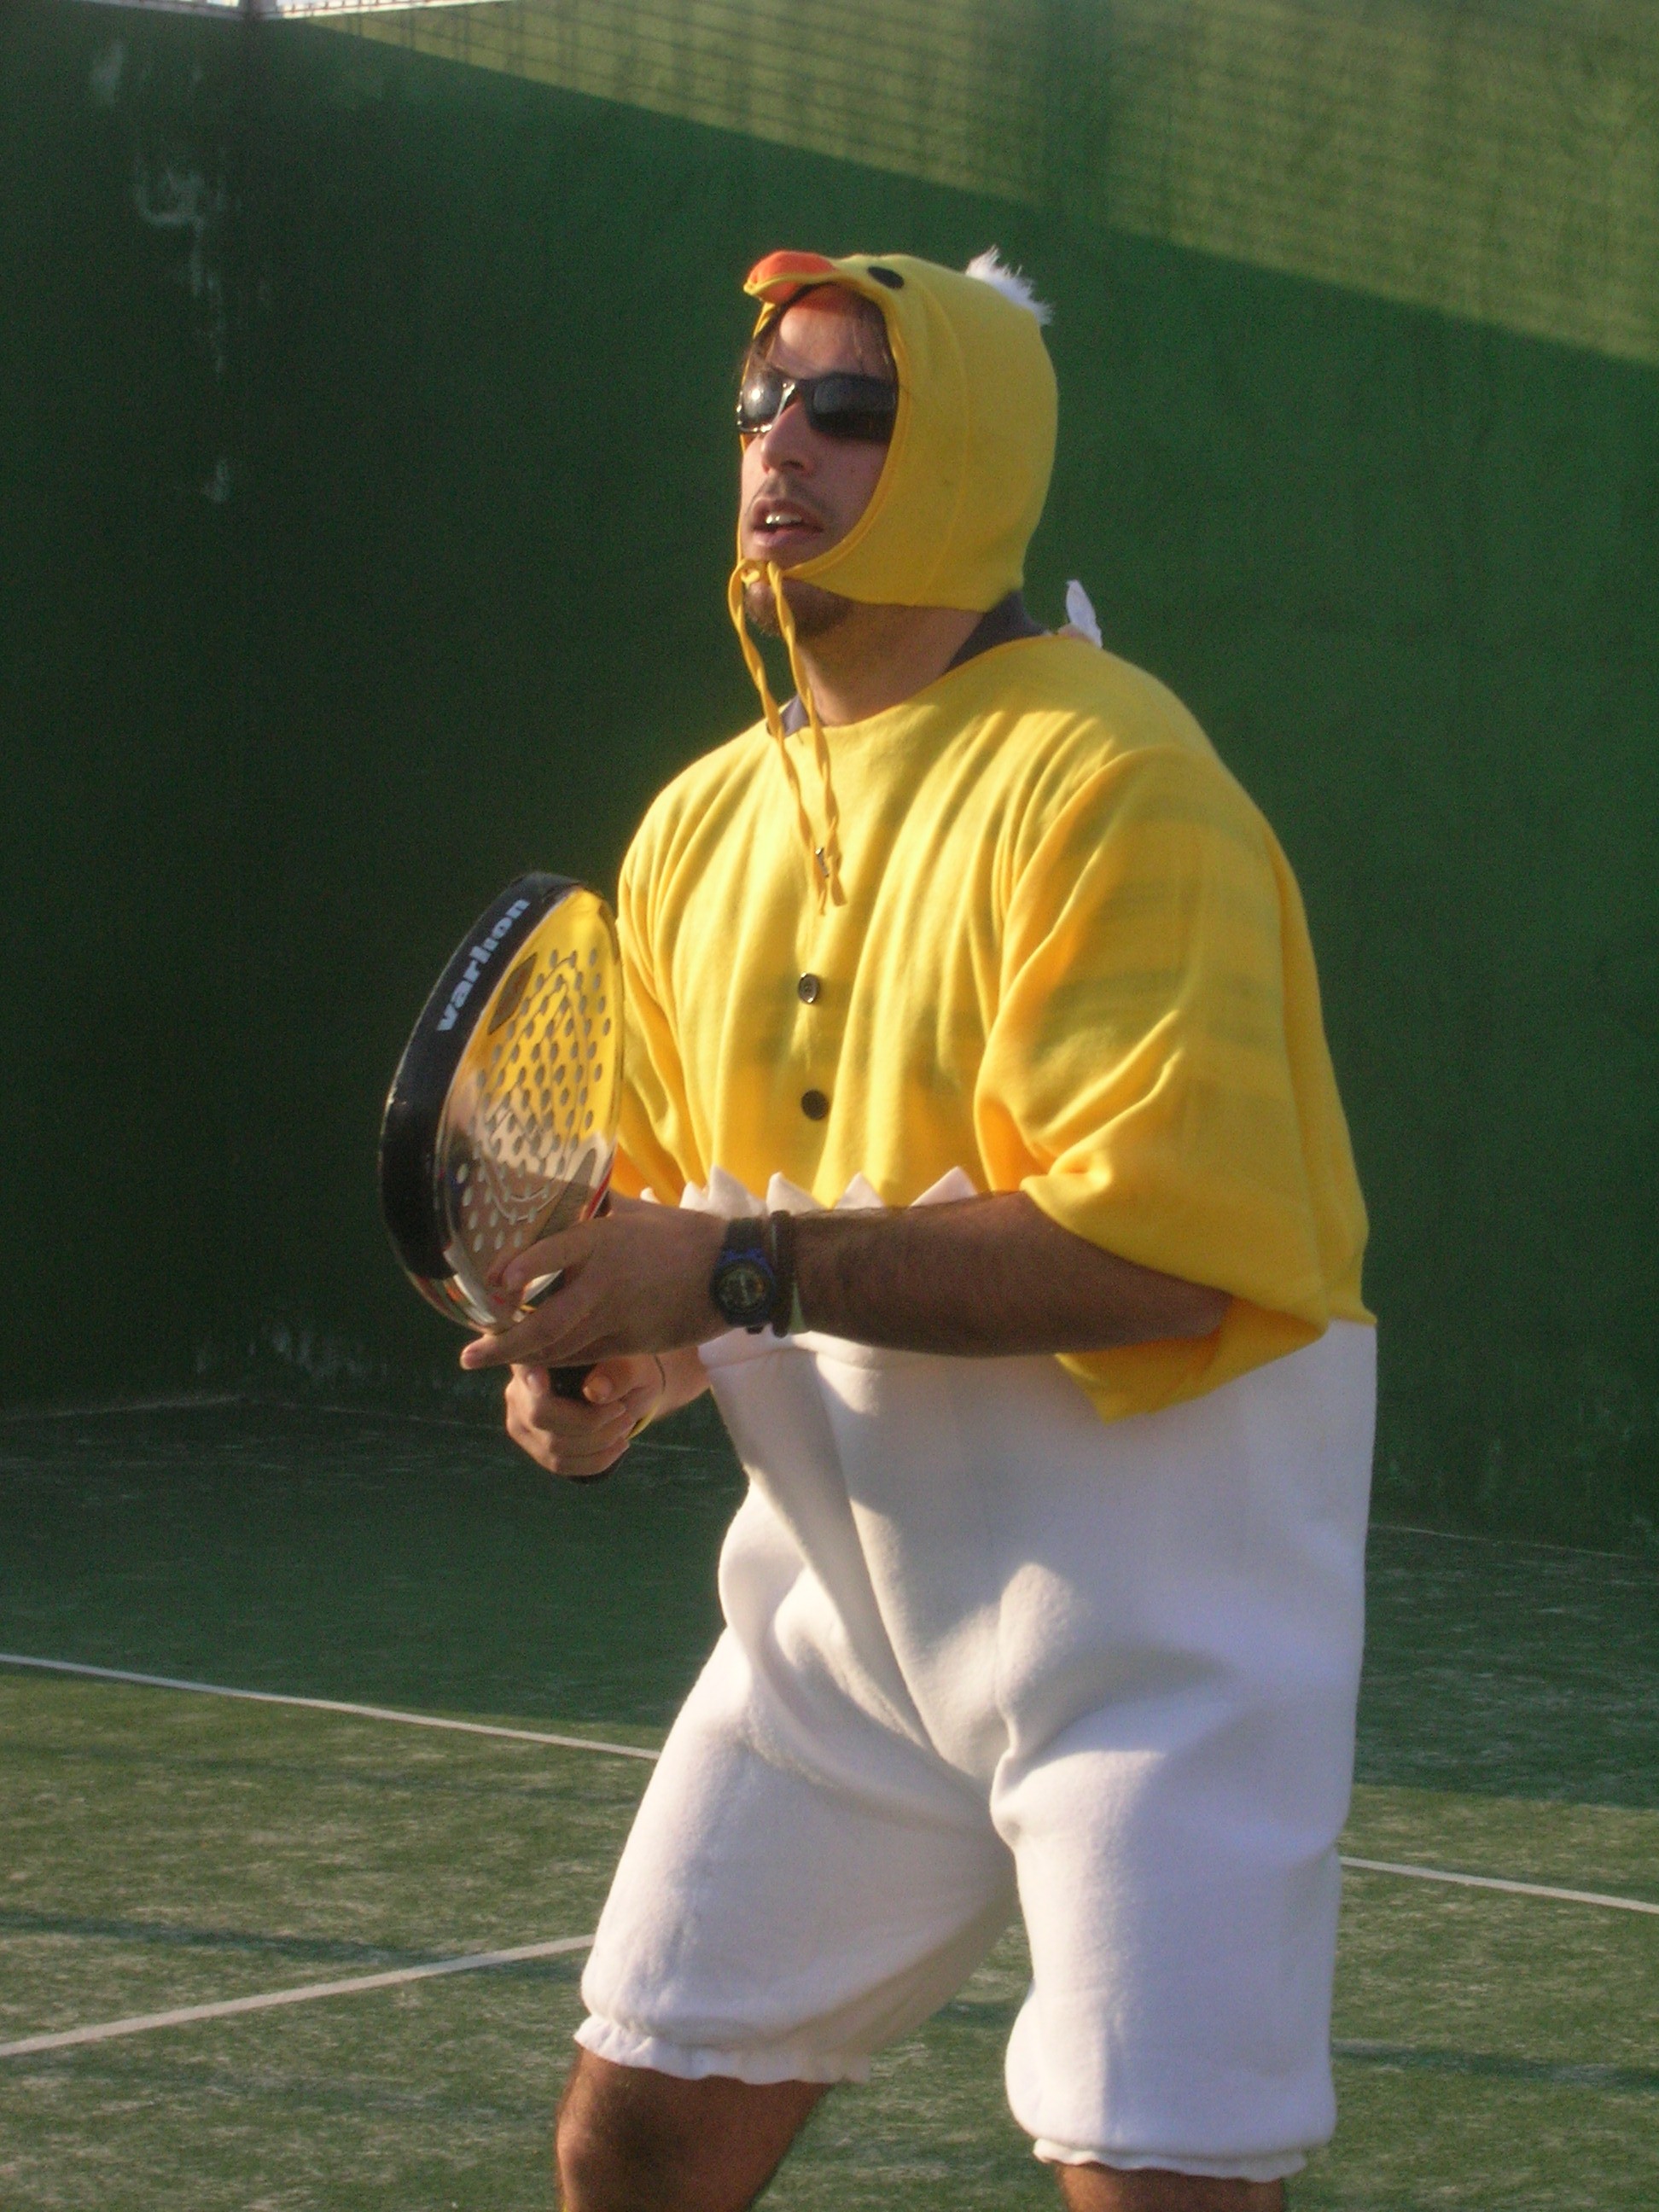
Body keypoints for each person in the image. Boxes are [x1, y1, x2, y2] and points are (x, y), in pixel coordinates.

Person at [460, 247, 1375, 2212]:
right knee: (636, 2143)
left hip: (1155, 1657)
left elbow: (1173, 1254)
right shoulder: (698, 826)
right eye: (759, 401)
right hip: (842, 1636)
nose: (779, 443)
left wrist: (723, 1278)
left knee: (1161, 2188)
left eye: (849, 407)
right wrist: (619, 1367)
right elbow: (683, 1228)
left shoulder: (1116, 779)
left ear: (967, 452)